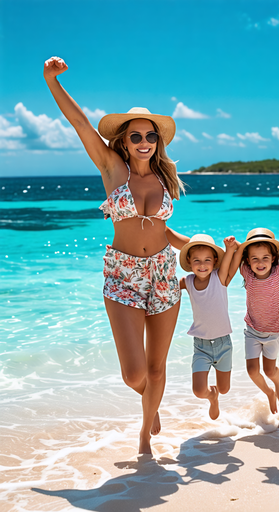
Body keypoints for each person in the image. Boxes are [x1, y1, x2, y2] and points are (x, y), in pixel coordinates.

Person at [44, 56, 190, 455]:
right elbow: (79, 124)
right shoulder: (111, 168)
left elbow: (163, 231)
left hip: (163, 273)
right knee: (134, 374)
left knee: (158, 367)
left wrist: (196, 248)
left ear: (158, 142)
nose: (144, 142)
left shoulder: (163, 177)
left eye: (150, 137)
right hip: (123, 276)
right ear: (123, 141)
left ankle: (145, 434)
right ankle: (148, 399)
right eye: (136, 136)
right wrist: (51, 80)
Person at [229, 228, 279, 413]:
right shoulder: (246, 273)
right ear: (247, 261)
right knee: (252, 371)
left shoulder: (278, 273)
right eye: (255, 258)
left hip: (272, 333)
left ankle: (278, 384)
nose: (260, 263)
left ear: (273, 259)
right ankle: (269, 392)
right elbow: (240, 252)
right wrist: (235, 244)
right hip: (252, 331)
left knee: (270, 371)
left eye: (265, 258)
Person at [179, 234, 238, 420]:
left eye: (207, 260)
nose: (202, 265)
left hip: (223, 345)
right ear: (189, 261)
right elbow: (166, 285)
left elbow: (229, 260)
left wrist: (229, 249)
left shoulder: (218, 278)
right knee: (198, 390)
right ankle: (211, 397)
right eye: (196, 260)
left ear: (214, 261)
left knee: (224, 388)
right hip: (201, 346)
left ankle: (217, 394)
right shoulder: (187, 281)